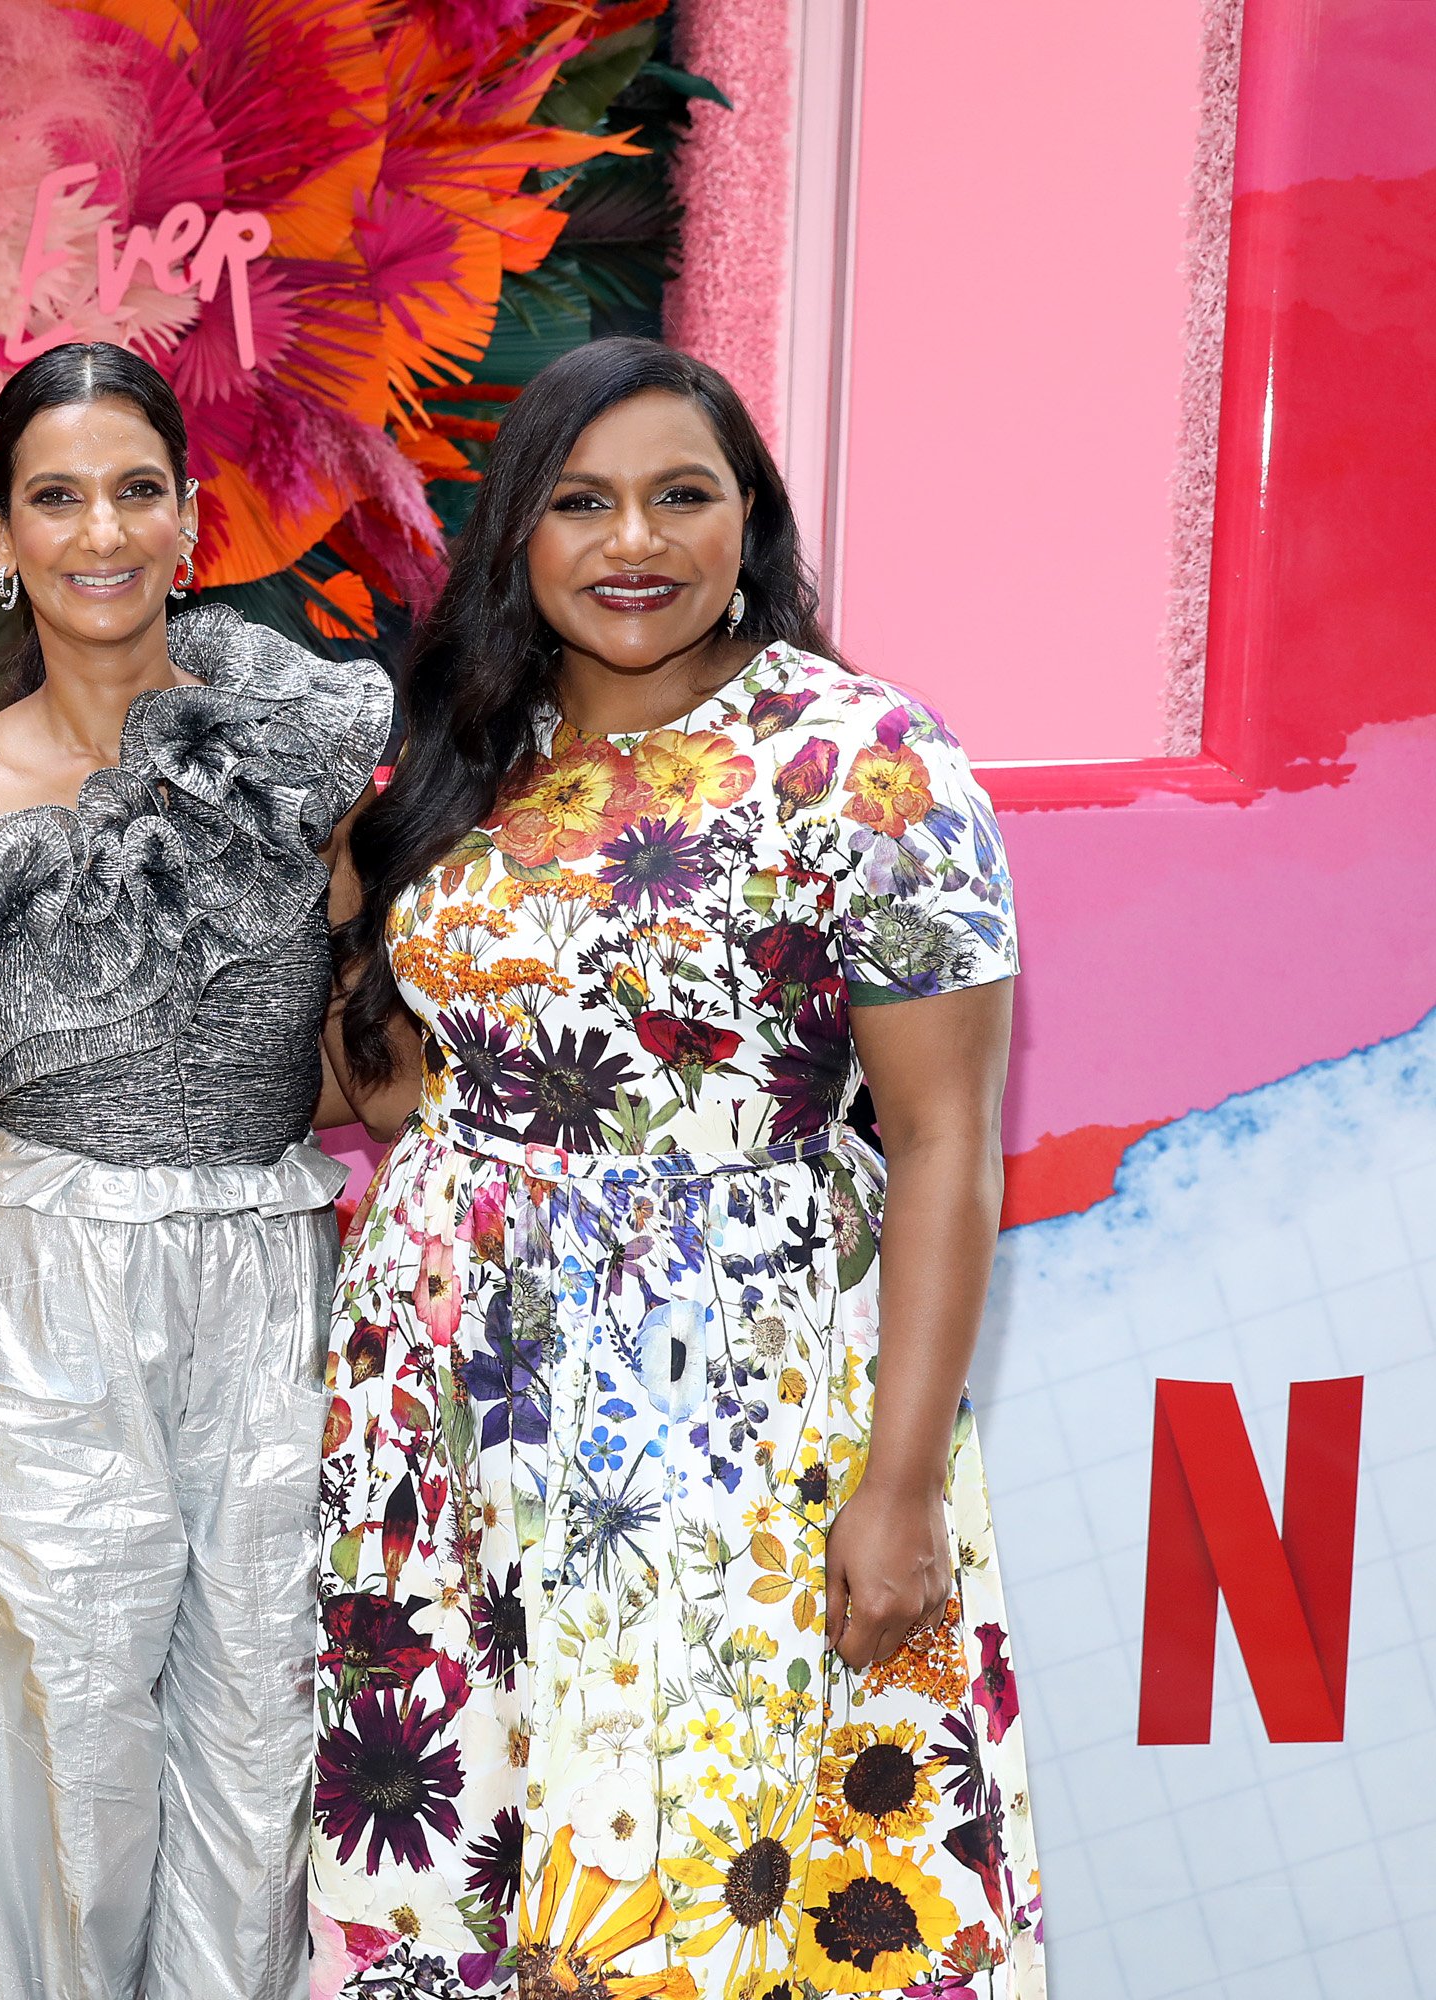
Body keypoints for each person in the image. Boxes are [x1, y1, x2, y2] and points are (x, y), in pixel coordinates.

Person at [313, 337, 1044, 1996]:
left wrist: (905, 1484)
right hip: (450, 1412)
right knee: (479, 1846)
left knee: (711, 1848)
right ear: (515, 538)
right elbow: (388, 1088)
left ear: (749, 526)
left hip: (736, 1406)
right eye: (581, 502)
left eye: (679, 497)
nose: (630, 540)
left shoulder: (866, 761)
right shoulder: (453, 762)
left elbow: (940, 1139)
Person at [0, 342, 392, 2000]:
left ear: (192, 523)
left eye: (135, 490)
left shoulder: (303, 765)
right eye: (56, 496)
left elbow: (350, 1064)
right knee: (51, 1772)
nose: (100, 530)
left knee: (264, 1771)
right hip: (35, 1294)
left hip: (273, 1280)